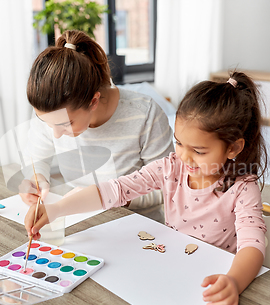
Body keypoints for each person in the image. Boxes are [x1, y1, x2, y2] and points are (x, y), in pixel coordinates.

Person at [24, 71, 268, 305]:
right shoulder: (171, 167)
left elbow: (253, 246)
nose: (184, 156)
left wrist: (234, 282)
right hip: (171, 271)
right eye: (179, 143)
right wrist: (56, 209)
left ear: (233, 147)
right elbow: (114, 190)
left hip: (210, 282)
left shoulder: (243, 189)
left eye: (199, 151)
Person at [19, 30, 173, 222]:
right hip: (80, 221)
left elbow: (167, 185)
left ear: (93, 101)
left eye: (65, 124)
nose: (56, 134)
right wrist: (37, 179)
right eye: (47, 123)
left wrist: (111, 197)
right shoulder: (52, 110)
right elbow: (35, 157)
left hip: (138, 228)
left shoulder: (145, 115)